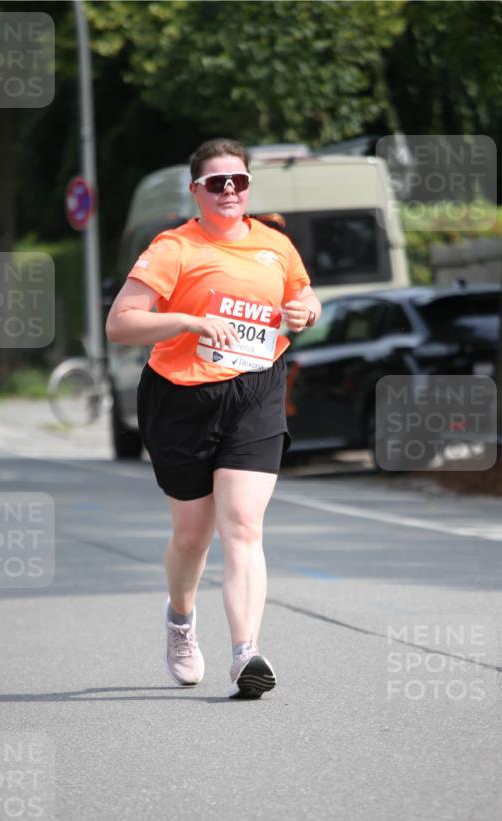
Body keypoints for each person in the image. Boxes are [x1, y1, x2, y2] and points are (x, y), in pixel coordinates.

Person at [106, 138, 321, 699]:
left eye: (239, 181)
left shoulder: (276, 245)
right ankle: (180, 622)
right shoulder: (174, 247)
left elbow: (305, 302)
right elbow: (121, 324)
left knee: (244, 524)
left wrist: (306, 310)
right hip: (181, 399)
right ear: (195, 189)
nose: (230, 191)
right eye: (217, 182)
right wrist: (186, 322)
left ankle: (246, 654)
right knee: (193, 535)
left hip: (256, 393)